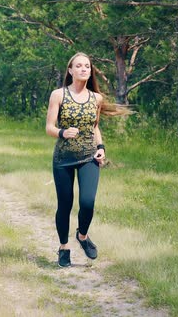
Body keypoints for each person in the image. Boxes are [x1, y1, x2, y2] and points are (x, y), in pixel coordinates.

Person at [45, 52, 129, 267]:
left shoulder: (96, 98)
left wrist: (100, 148)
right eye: (79, 66)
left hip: (88, 157)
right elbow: (49, 128)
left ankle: (82, 236)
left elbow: (94, 127)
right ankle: (64, 248)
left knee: (88, 203)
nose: (84, 69)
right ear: (70, 70)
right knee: (65, 205)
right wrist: (63, 133)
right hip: (63, 159)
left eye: (87, 66)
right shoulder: (58, 95)